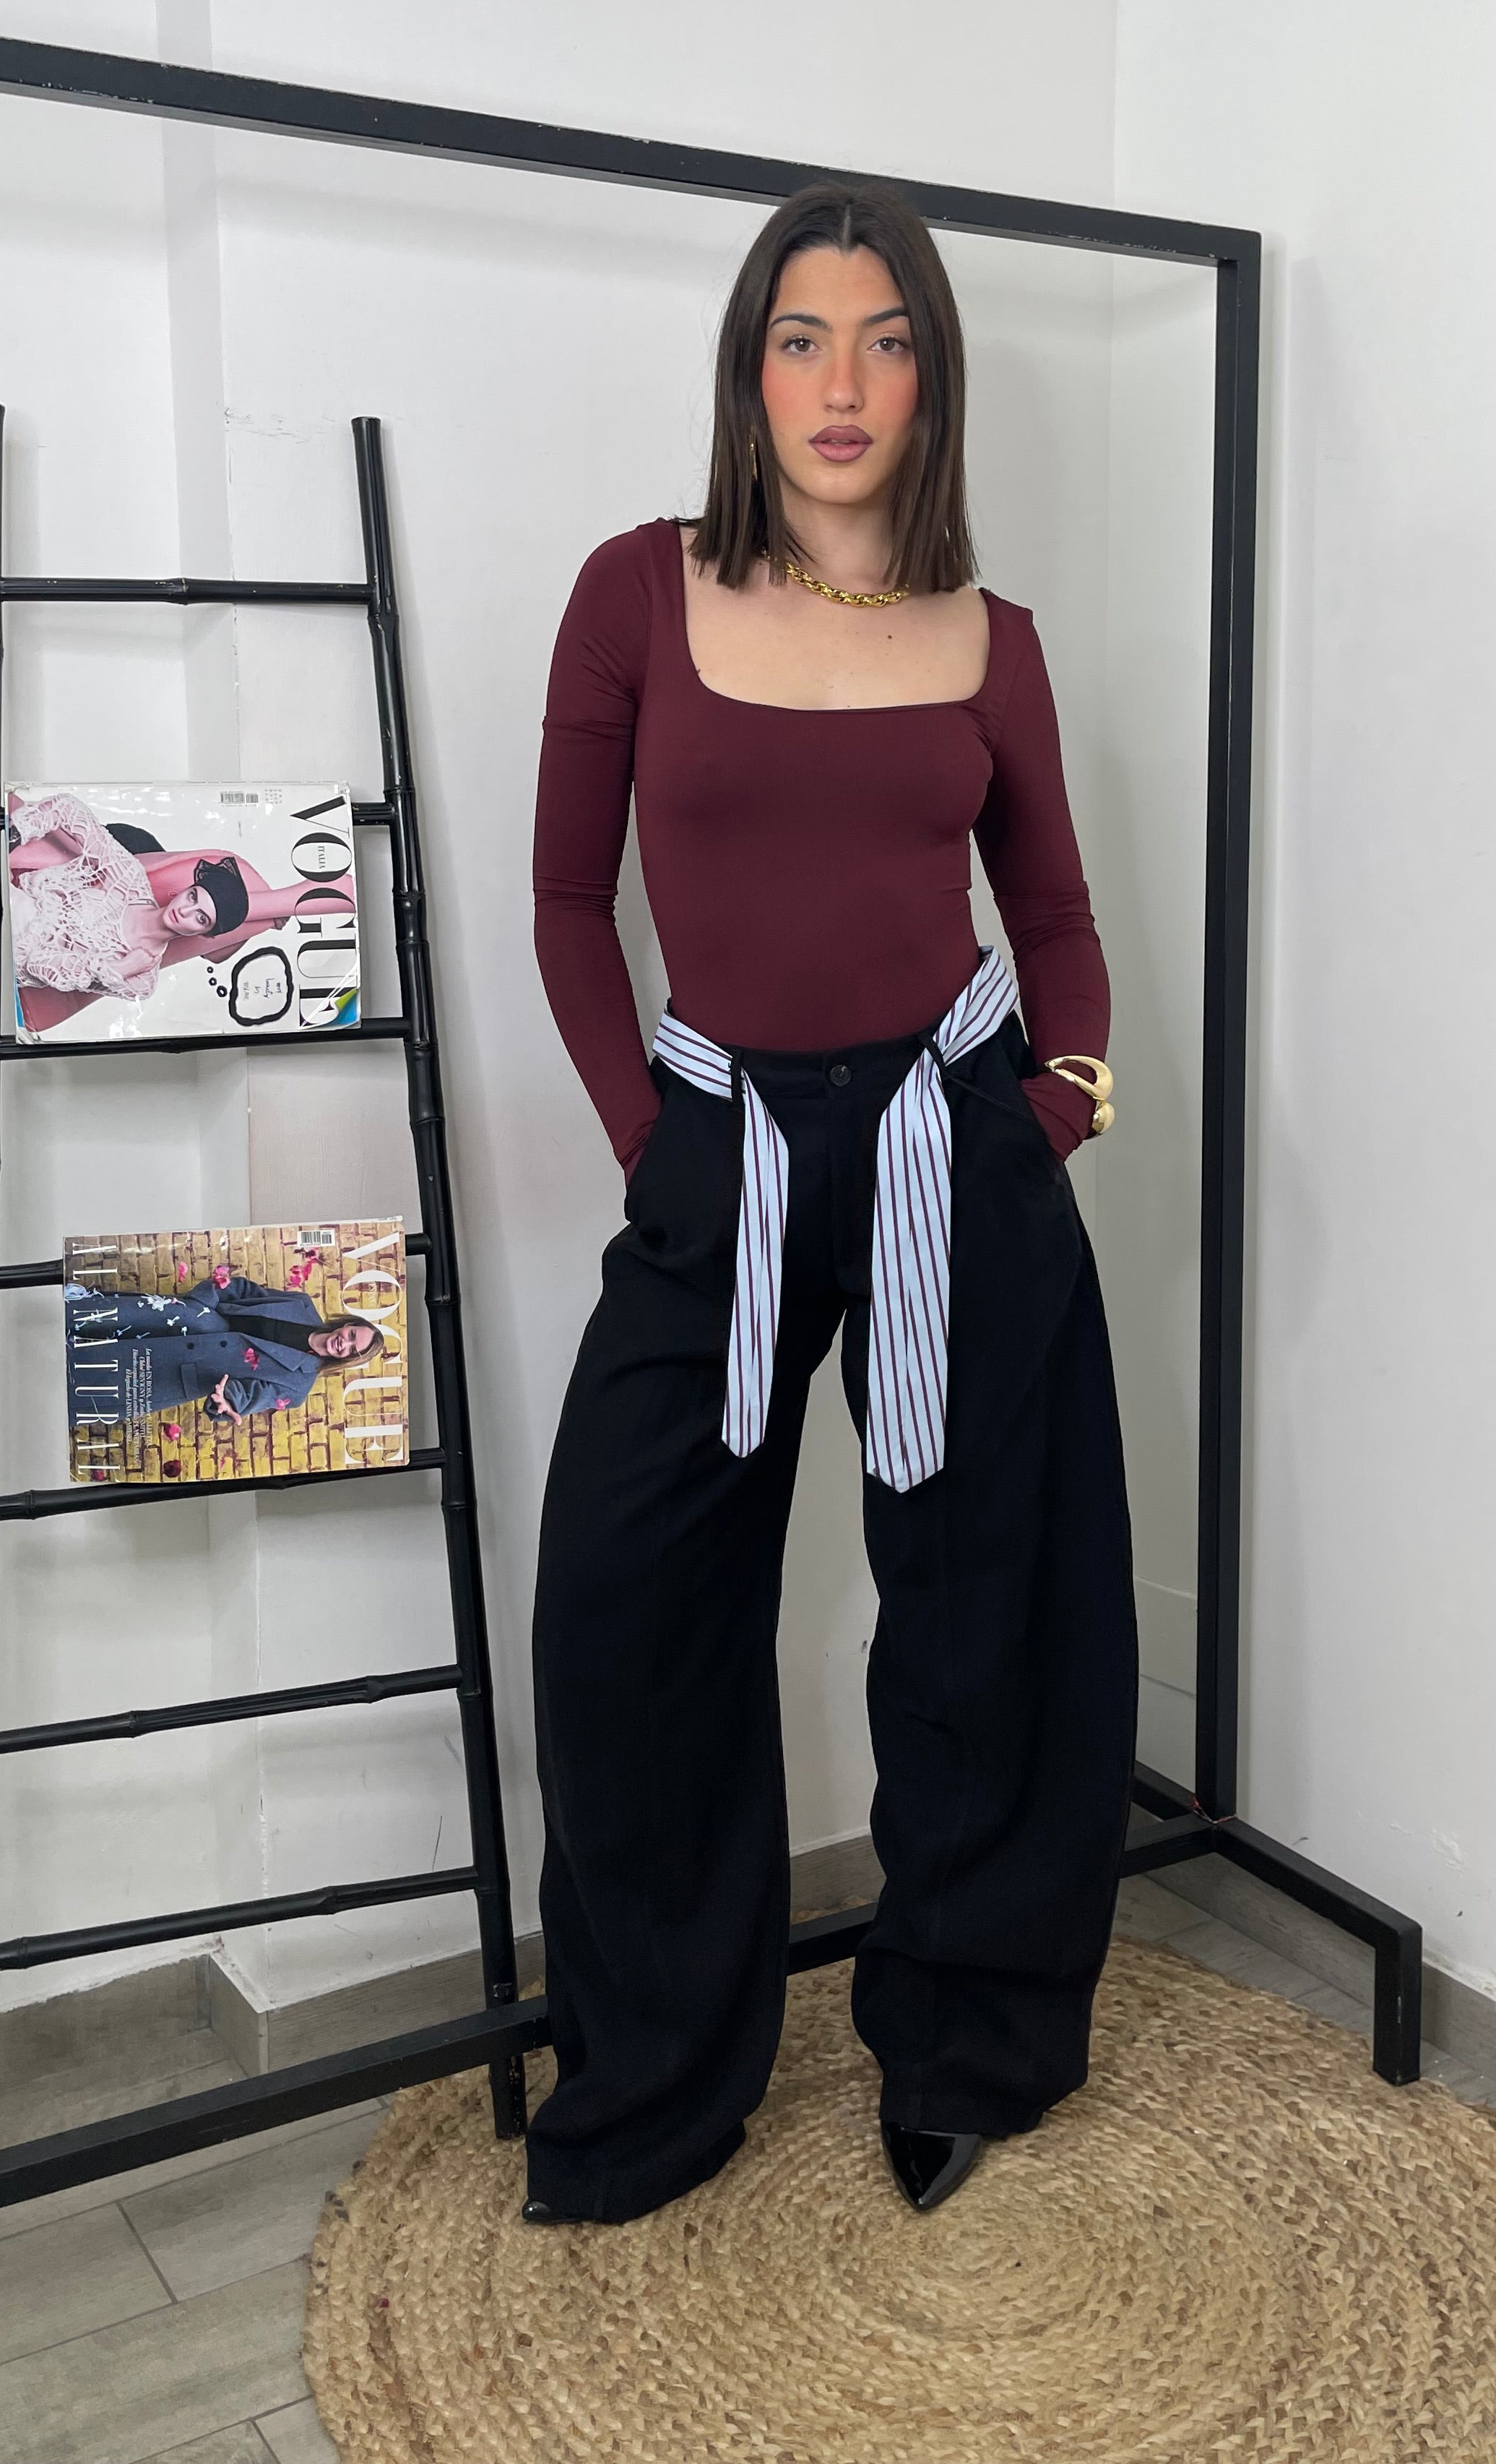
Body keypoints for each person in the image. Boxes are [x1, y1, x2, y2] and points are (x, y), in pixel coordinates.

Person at [524, 179, 1138, 2228]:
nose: (844, 381)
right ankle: (659, 2077)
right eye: (803, 338)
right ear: (750, 370)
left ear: (932, 378)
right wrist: (653, 1142)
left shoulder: (993, 639)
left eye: (887, 340)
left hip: (956, 1135)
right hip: (725, 1146)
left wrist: (1051, 1113)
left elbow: (1056, 916)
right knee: (628, 1614)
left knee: (988, 1601)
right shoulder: (639, 591)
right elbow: (566, 902)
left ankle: (966, 2042)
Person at [5, 792, 311, 1034]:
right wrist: (17, 834)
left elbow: (36, 966)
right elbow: (68, 809)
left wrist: (118, 968)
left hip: (2, 957)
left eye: (201, 918)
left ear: (205, 934)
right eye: (193, 897)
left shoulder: (142, 979)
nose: (186, 911)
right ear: (184, 891)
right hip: (3, 897)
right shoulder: (129, 879)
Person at [64, 1261, 386, 1427]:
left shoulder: (298, 1387)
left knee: (94, 1377)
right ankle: (62, 1316)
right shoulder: (300, 1305)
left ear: (347, 1360)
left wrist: (227, 1402)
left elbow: (250, 1396)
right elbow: (247, 1291)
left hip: (186, 1370)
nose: (344, 1344)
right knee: (113, 1319)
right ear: (347, 1324)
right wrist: (205, 1301)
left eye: (352, 1351)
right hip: (185, 1321)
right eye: (352, 1336)